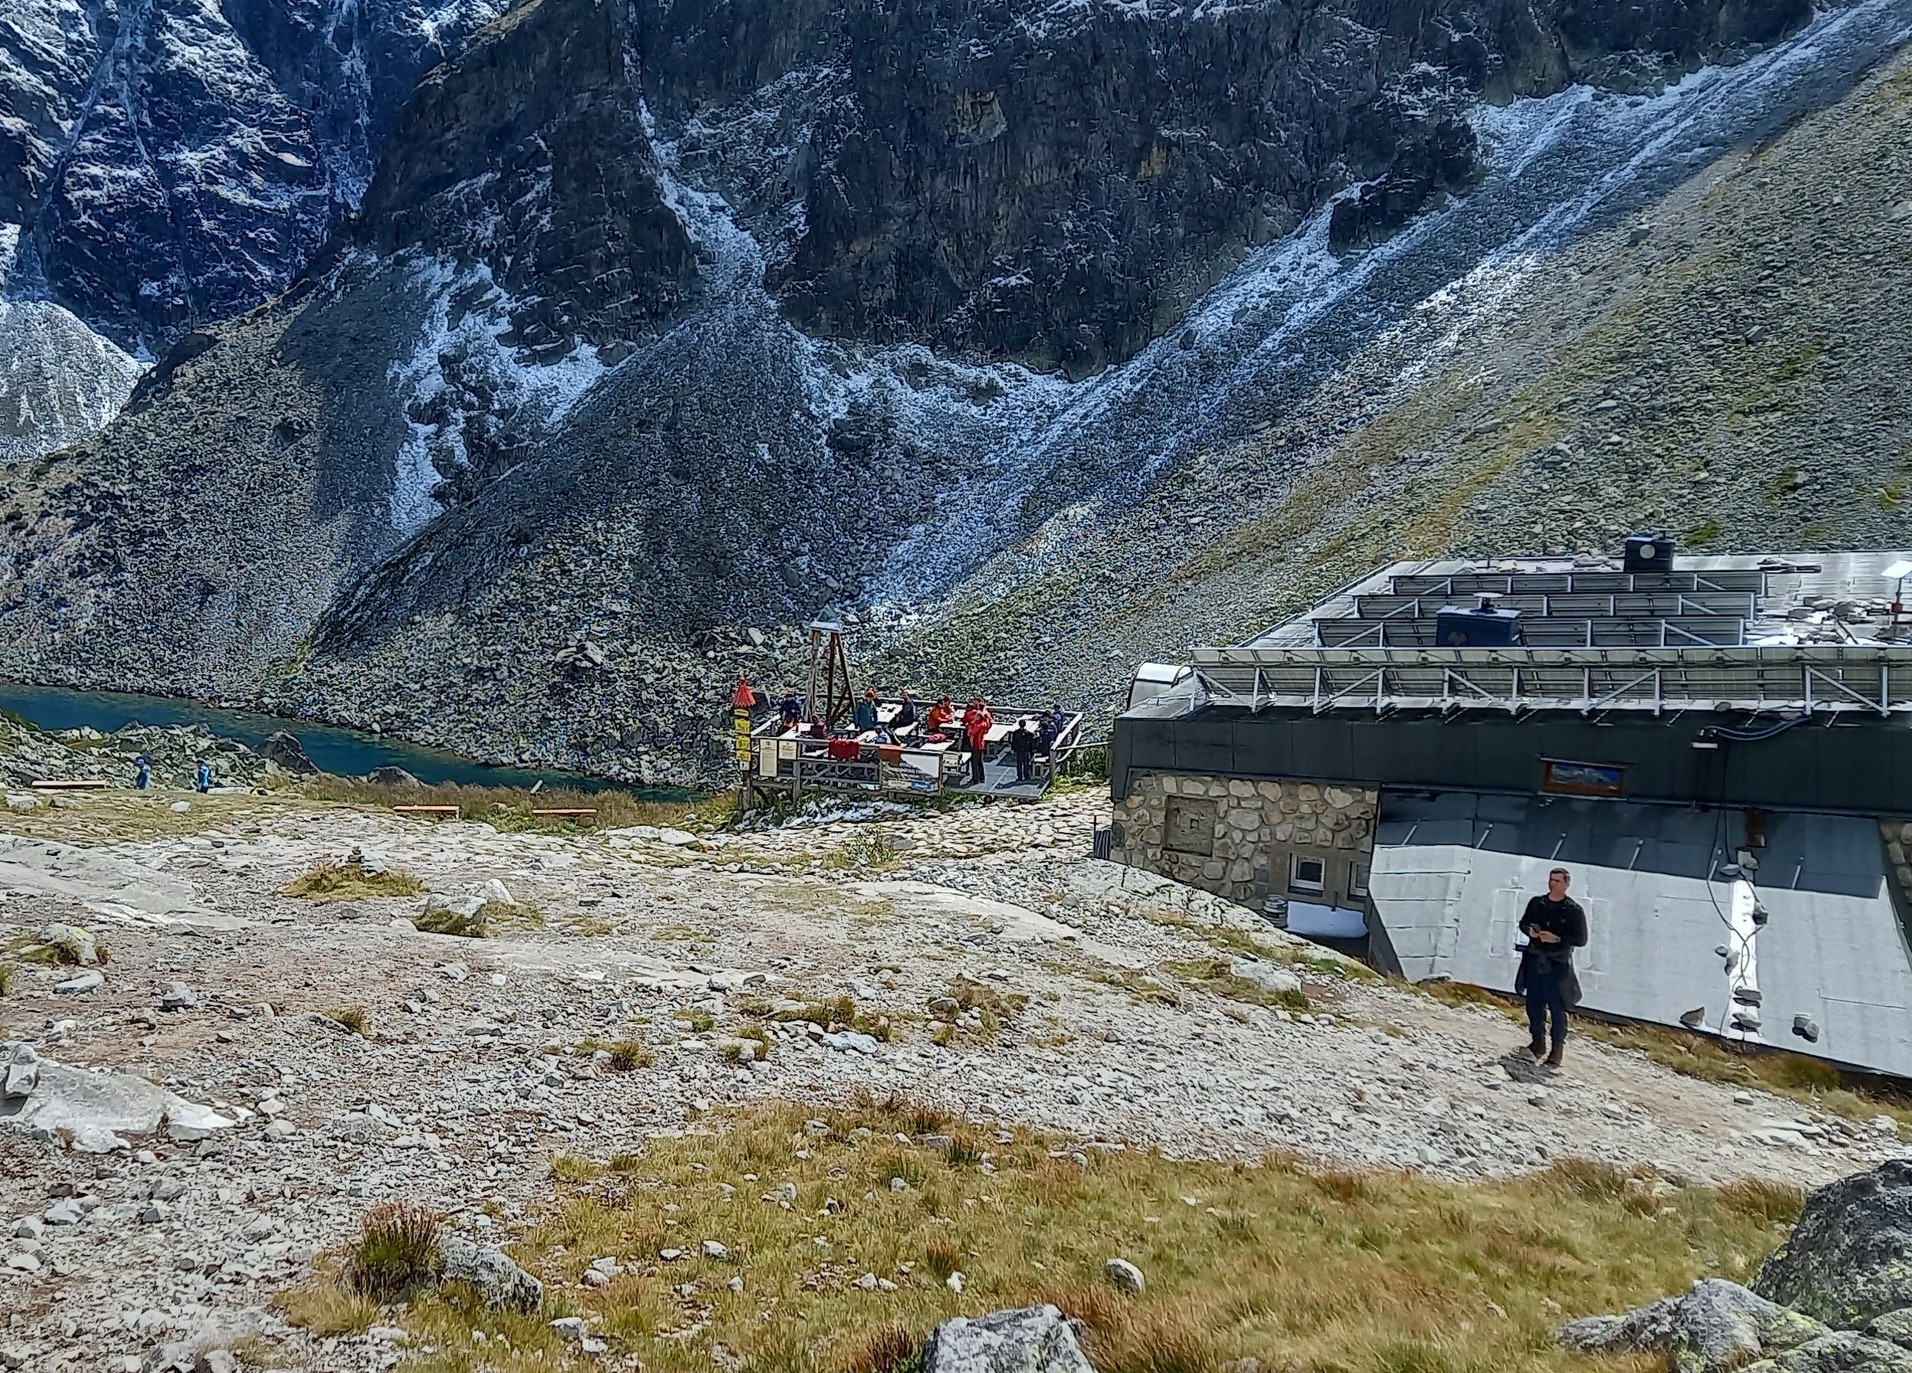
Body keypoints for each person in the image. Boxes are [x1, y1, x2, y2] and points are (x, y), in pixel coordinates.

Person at [1516, 866, 1588, 1069]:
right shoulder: (1537, 903)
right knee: (1534, 1005)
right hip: (1535, 959)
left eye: (1557, 881)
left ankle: (1557, 1051)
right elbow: (1523, 923)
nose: (1552, 883)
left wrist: (1557, 938)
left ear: (1566, 884)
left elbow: (1581, 939)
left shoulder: (1573, 910)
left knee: (1557, 1009)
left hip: (1557, 964)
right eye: (1551, 880)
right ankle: (1537, 1044)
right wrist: (1530, 931)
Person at [964, 698, 994, 786]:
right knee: (980, 762)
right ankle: (982, 777)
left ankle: (975, 779)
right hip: (981, 743)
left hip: (976, 744)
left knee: (974, 762)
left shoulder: (978, 725)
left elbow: (970, 733)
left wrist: (971, 724)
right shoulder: (983, 724)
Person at [1009, 716, 1038, 784]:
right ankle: (1026, 775)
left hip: (1019, 750)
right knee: (1026, 764)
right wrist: (1032, 749)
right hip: (1026, 750)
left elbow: (1013, 742)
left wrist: (1013, 749)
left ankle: (1020, 776)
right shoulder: (1028, 733)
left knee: (1019, 764)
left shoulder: (1016, 733)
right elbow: (1033, 739)